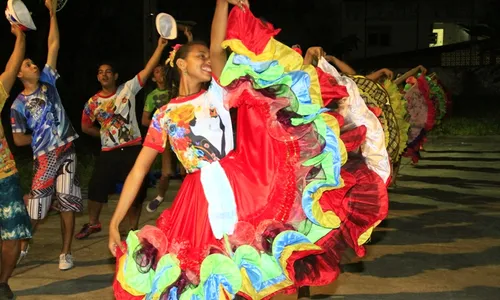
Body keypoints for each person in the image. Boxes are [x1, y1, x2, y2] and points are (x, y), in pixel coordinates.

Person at [109, 1, 388, 299]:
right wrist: (115, 222)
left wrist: (220, 3)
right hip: (195, 200)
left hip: (240, 186)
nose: (207, 60)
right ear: (180, 63)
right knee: (205, 275)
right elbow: (139, 169)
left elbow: (218, 48)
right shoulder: (164, 114)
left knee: (245, 268)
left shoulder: (217, 93)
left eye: (207, 56)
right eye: (199, 56)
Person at [11, 0, 81, 271]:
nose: (33, 65)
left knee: (67, 202)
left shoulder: (48, 81)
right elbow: (18, 140)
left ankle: (66, 253)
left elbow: (54, 45)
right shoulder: (17, 105)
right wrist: (41, 140)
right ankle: (23, 245)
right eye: (28, 64)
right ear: (19, 73)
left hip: (67, 150)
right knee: (36, 209)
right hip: (44, 158)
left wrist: (52, 13)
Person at [76, 36, 169, 240]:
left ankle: (132, 229)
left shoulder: (128, 89)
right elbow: (85, 126)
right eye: (100, 72)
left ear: (115, 75)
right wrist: (102, 133)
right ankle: (93, 223)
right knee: (96, 188)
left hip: (133, 148)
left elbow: (147, 69)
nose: (104, 75)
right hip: (108, 152)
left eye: (108, 71)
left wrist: (160, 47)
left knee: (135, 192)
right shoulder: (92, 103)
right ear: (97, 77)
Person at [142, 27, 193, 213]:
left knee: (185, 169)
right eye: (156, 72)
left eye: (162, 70)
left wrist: (188, 38)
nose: (160, 73)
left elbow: (187, 63)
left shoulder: (175, 88)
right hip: (166, 135)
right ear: (154, 78)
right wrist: (161, 128)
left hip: (182, 132)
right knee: (166, 172)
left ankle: (186, 199)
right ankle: (160, 196)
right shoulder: (151, 97)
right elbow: (145, 120)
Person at [0, 24, 32, 300]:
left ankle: (2, 282)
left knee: (12, 235)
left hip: (4, 176)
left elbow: (12, 68)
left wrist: (20, 35)